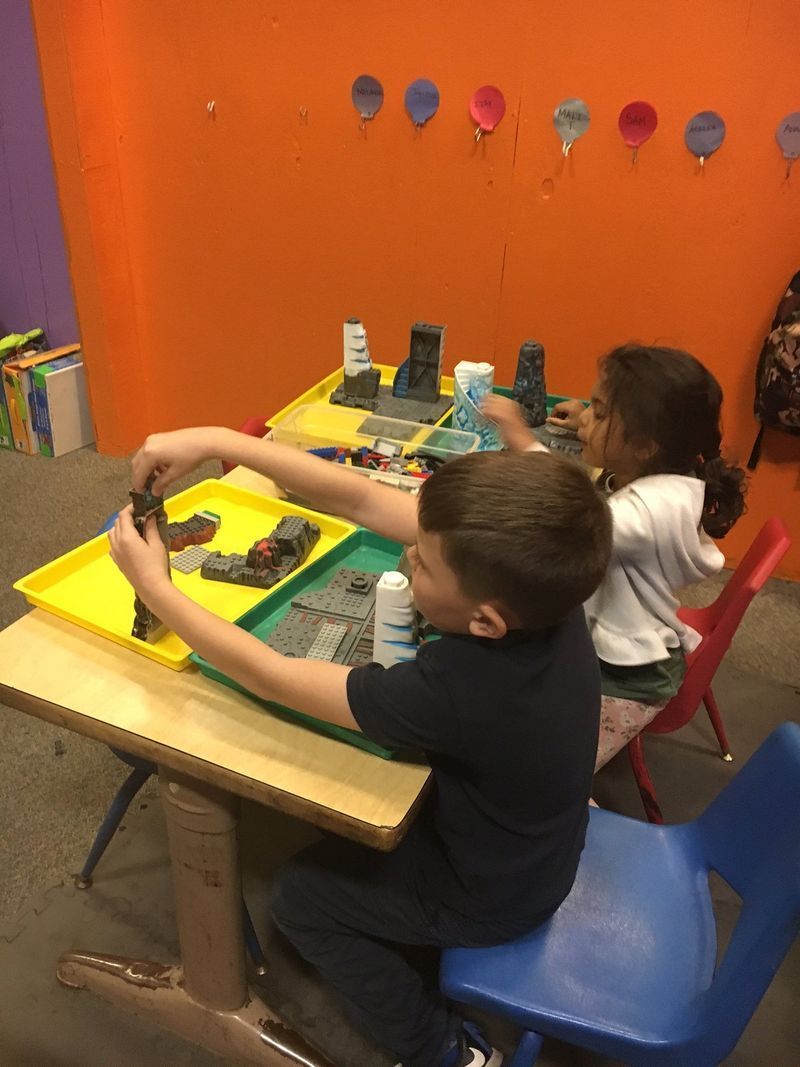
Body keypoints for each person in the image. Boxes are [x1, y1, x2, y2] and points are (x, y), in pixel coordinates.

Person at [109, 433, 612, 1067]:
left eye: (423, 564)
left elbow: (273, 675)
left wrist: (155, 586)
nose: (406, 554)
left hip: (495, 894)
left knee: (301, 897)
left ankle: (440, 1049)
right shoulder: (544, 591)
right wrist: (215, 442)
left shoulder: (460, 690)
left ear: (485, 621)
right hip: (540, 841)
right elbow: (361, 496)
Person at [484, 343, 747, 768]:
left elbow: (574, 513)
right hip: (617, 649)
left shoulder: (647, 513)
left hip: (624, 679)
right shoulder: (665, 472)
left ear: (645, 445)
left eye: (601, 413)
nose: (586, 415)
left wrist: (520, 438)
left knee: (545, 769)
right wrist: (585, 424)